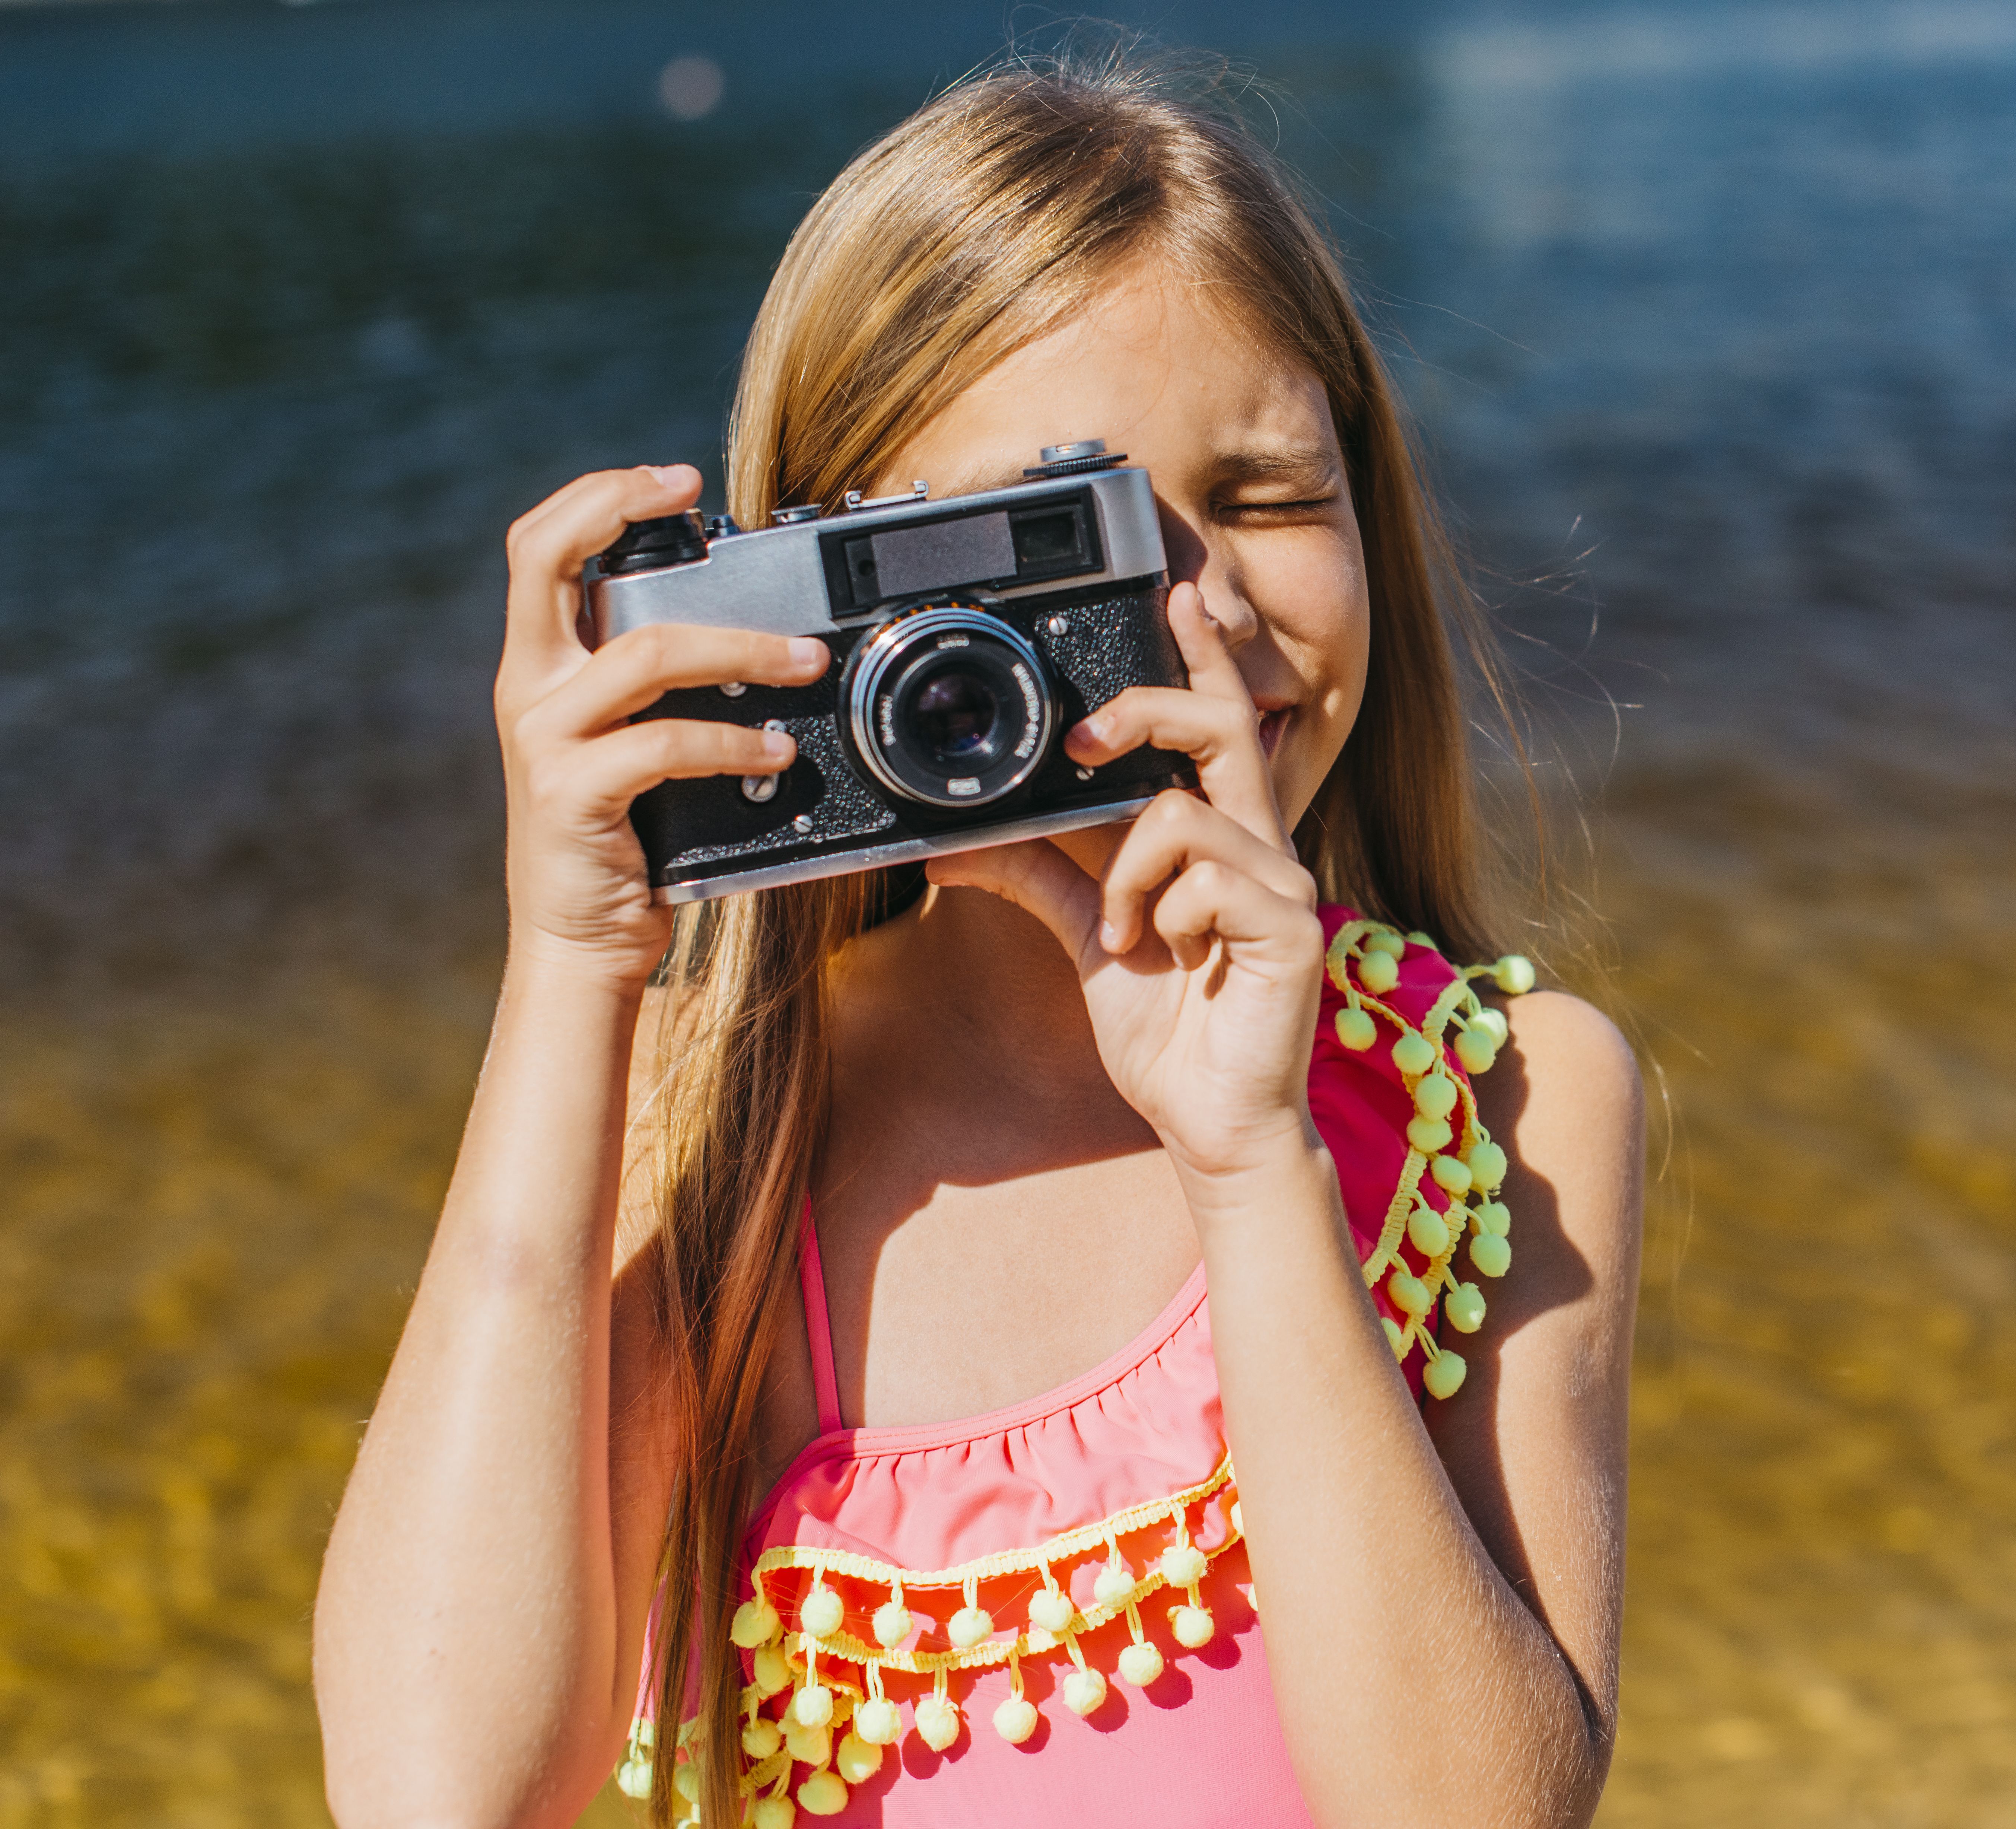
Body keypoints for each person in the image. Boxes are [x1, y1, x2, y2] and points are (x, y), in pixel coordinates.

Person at [312, 48, 1642, 1829]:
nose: (1203, 614)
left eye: (1267, 498)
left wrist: (1255, 1159)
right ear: (833, 608)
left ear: (1372, 510)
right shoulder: (707, 1131)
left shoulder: (1508, 1103)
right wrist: (571, 969)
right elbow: (438, 1793)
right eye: (1063, 551)